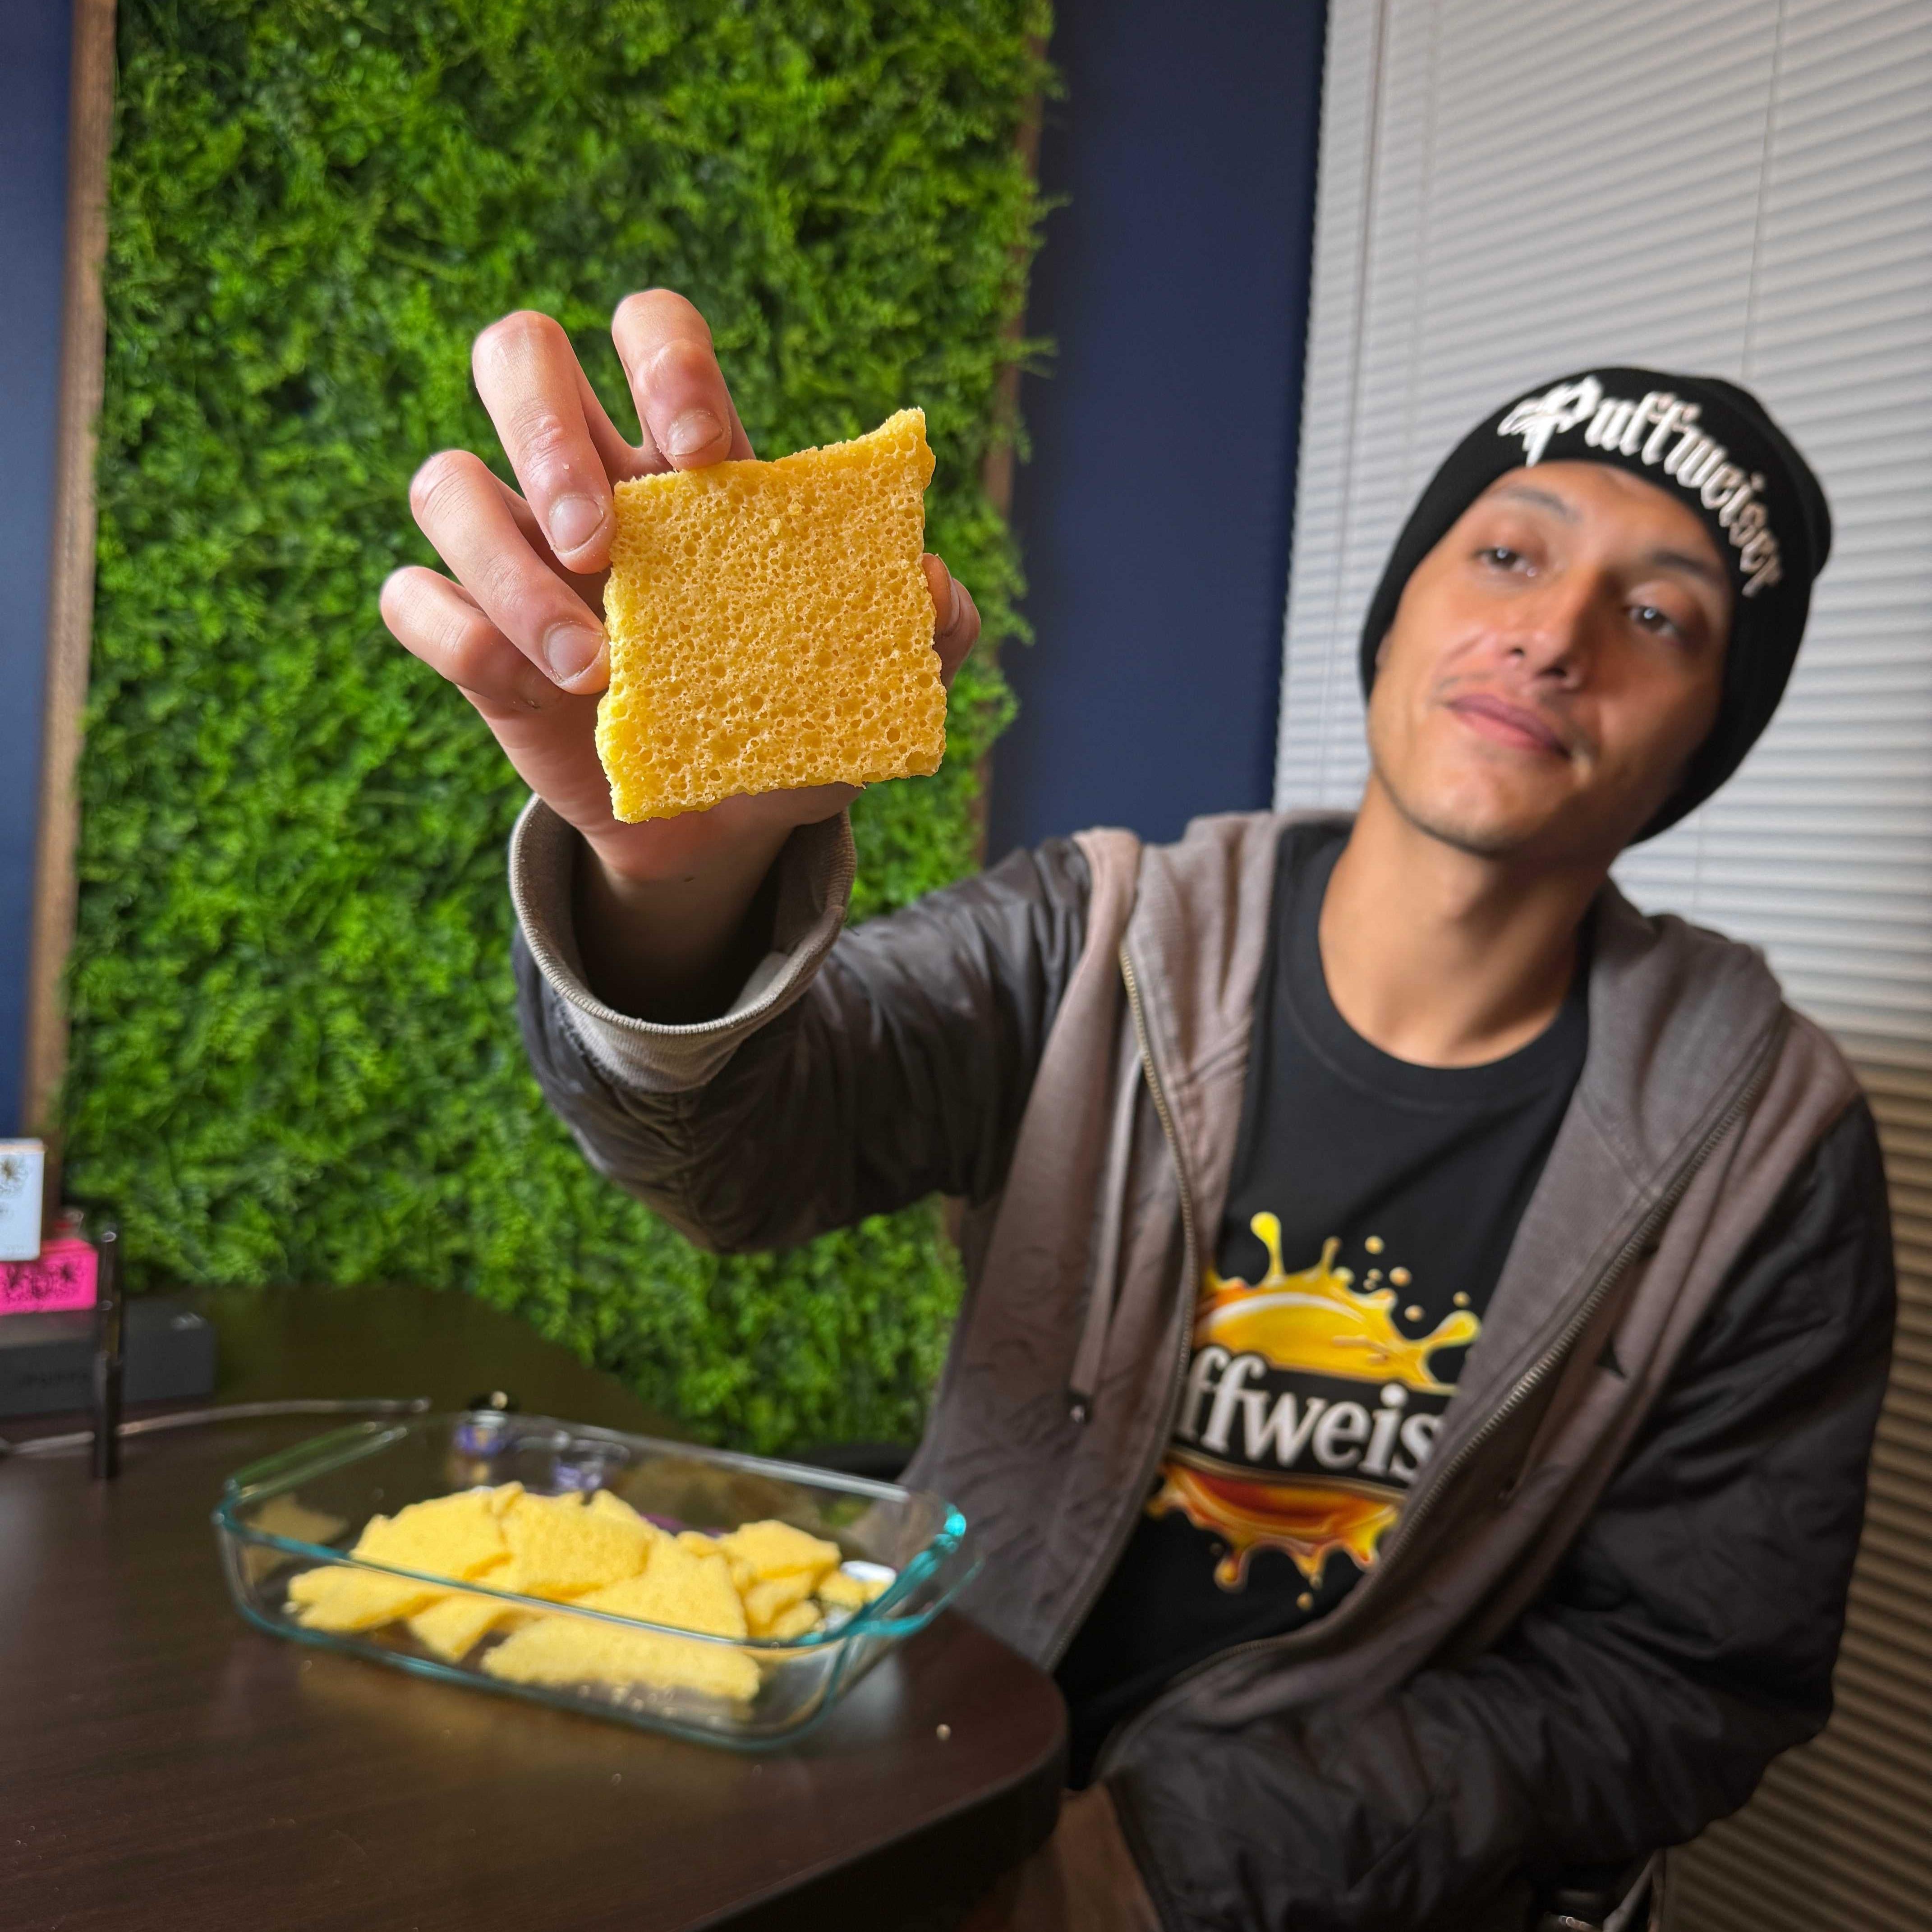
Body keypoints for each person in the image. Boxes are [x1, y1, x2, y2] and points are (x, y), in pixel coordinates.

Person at [381, 292, 1895, 1932]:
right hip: (924, 1781)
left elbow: (1679, 1680)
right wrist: (678, 885)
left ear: (1708, 735)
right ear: (1397, 607)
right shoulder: (1095, 934)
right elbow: (741, 1159)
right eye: (1508, 554)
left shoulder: (1767, 1143)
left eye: (1658, 614)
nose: (1554, 634)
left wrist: (1152, 1863)